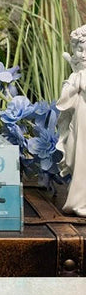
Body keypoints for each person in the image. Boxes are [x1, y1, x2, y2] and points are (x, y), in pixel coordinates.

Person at [56, 24, 86, 217]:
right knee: (76, 155)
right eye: (79, 49)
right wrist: (75, 84)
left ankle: (81, 201)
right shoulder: (76, 75)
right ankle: (79, 200)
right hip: (80, 119)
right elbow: (64, 99)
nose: (83, 55)